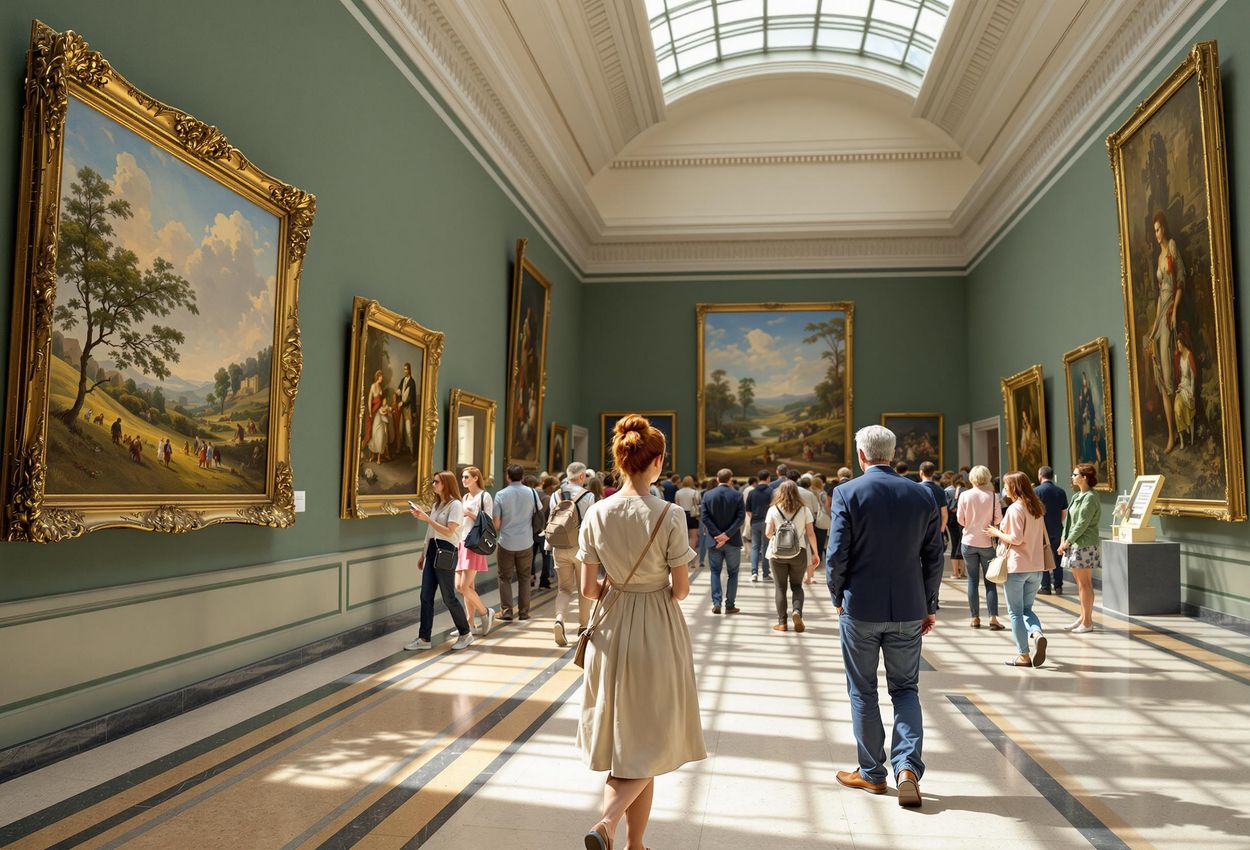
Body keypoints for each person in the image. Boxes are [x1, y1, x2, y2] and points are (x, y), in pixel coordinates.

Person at [577, 415, 705, 849]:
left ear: (621, 460)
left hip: (611, 629)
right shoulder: (670, 514)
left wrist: (619, 585)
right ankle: (608, 824)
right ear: (659, 462)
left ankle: (635, 844)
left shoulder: (596, 511)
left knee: (627, 740)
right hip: (657, 626)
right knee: (652, 736)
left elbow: (586, 589)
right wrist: (653, 588)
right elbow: (682, 590)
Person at [826, 425, 943, 807]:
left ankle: (873, 774)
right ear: (891, 454)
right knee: (906, 689)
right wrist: (928, 603)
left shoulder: (847, 492)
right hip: (909, 608)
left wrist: (836, 595)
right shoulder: (922, 494)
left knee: (862, 690)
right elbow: (934, 555)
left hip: (860, 606)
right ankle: (907, 767)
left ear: (861, 455)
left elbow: (837, 554)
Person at [986, 472, 1051, 668]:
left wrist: (996, 532)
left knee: (1015, 613)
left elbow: (1016, 539)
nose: (1004, 489)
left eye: (1006, 486)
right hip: (1036, 567)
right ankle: (1037, 633)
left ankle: (1024, 655)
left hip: (1017, 567)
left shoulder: (1015, 509)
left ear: (1014, 487)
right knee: (1026, 609)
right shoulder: (1036, 508)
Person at [406, 471, 473, 651]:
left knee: (448, 597)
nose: (433, 484)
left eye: (436, 482)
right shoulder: (437, 504)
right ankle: (424, 638)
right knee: (425, 595)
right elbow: (430, 532)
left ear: (446, 483)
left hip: (446, 551)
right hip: (433, 550)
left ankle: (466, 633)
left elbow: (450, 532)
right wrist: (423, 554)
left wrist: (426, 518)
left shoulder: (456, 505)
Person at [1150, 209, 1185, 454]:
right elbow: (1159, 297)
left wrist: (1174, 311)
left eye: (1159, 229)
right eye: (1154, 231)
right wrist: (1154, 326)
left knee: (1168, 371)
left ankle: (1176, 434)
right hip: (1161, 312)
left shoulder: (1171, 246)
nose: (1156, 234)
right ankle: (1171, 434)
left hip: (1170, 307)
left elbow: (1180, 281)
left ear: (1165, 228)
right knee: (1161, 376)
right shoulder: (1158, 256)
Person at [550, 462, 596, 646]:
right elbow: (590, 523)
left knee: (564, 589)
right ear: (583, 476)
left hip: (559, 547)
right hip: (581, 548)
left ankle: (559, 619)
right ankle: (583, 627)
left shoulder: (555, 494)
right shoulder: (588, 496)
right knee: (583, 588)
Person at [765, 479, 819, 633]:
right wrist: (815, 553)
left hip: (777, 554)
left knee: (780, 588)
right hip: (799, 552)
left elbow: (768, 533)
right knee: (797, 586)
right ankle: (797, 612)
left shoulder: (773, 509)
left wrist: (779, 537)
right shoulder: (804, 510)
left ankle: (782, 623)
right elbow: (810, 534)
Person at [955, 465, 1005, 630]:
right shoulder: (993, 496)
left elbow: (960, 520)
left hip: (968, 542)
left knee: (972, 580)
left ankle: (975, 618)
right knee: (990, 581)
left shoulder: (964, 495)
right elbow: (998, 519)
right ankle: (992, 618)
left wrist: (971, 524)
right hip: (987, 543)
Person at [492, 464, 539, 621]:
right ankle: (524, 613)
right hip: (526, 542)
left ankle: (507, 612)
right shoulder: (532, 493)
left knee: (504, 577)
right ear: (523, 477)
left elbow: (496, 524)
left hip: (506, 542)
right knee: (525, 577)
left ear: (507, 476)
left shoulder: (500, 495)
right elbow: (538, 511)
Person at [1058, 463, 1102, 633]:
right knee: (1080, 584)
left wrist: (1066, 542)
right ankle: (1083, 617)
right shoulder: (1078, 496)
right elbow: (1069, 522)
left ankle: (1088, 622)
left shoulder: (1091, 497)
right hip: (1073, 543)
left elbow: (1082, 524)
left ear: (1085, 477)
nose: (1072, 477)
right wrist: (1064, 539)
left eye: (1075, 474)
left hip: (1084, 544)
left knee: (1085, 584)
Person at [701, 467, 745, 615]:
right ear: (730, 479)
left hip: (714, 542)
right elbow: (741, 518)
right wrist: (727, 535)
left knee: (715, 572)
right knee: (733, 573)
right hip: (732, 541)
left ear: (717, 479)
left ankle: (716, 603)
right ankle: (730, 605)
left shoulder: (707, 495)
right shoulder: (737, 495)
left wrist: (717, 535)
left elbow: (705, 517)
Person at [458, 466, 494, 637]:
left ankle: (485, 612)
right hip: (461, 542)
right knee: (467, 587)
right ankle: (470, 624)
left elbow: (489, 521)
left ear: (475, 478)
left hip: (474, 544)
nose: (463, 480)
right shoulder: (465, 496)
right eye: (462, 477)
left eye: (466, 477)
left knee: (462, 586)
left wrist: (470, 514)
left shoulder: (485, 496)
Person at [1034, 466, 1069, 594]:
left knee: (1043, 558)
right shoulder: (1060, 491)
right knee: (1057, 558)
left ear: (1040, 475)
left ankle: (1045, 586)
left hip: (1041, 530)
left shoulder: (1036, 491)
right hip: (1057, 529)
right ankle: (1058, 586)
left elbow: (1033, 513)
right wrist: (1058, 522)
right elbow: (1064, 512)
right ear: (1051, 476)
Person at [745, 471, 774, 581]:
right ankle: (766, 574)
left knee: (755, 547)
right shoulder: (772, 492)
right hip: (768, 522)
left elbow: (748, 510)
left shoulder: (752, 492)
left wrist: (754, 518)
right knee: (766, 547)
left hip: (755, 522)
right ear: (768, 478)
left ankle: (754, 573)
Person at [944, 473, 968, 579]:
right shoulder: (967, 491)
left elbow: (947, 508)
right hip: (965, 520)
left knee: (954, 544)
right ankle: (962, 573)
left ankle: (955, 572)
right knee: (962, 543)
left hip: (952, 520)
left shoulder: (948, 491)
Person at [917, 462, 948, 538]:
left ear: (921, 472)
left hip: (919, 529)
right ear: (933, 473)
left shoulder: (915, 488)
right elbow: (944, 514)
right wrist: (941, 530)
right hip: (936, 530)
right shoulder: (940, 490)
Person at [674, 475, 701, 550]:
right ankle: (691, 555)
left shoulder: (678, 492)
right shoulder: (695, 492)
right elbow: (698, 502)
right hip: (693, 515)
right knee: (693, 537)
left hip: (681, 514)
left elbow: (677, 505)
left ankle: (683, 553)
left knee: (682, 537)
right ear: (692, 482)